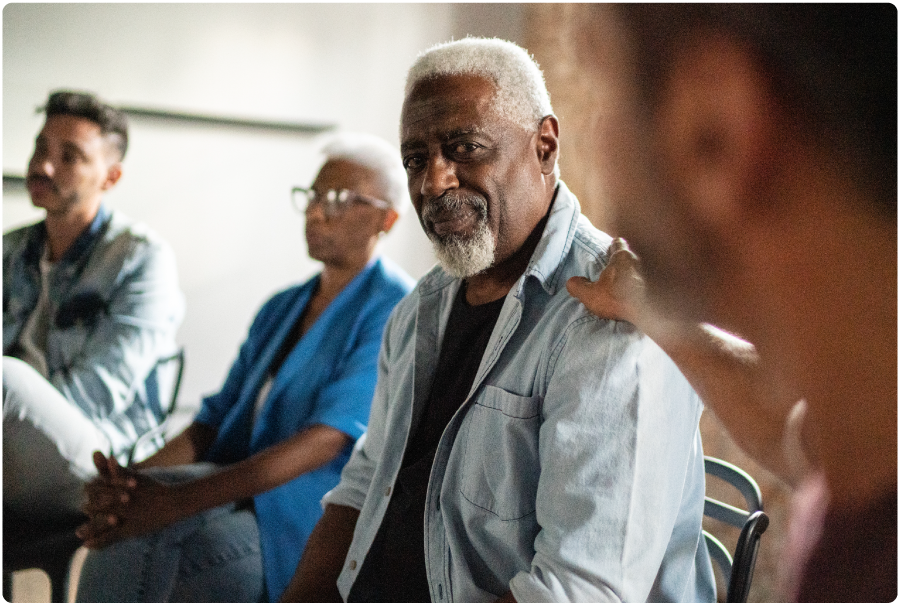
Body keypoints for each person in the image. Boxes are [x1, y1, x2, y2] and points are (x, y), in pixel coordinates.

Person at [283, 38, 714, 603]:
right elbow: (365, 487)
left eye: (465, 147)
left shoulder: (613, 317)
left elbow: (576, 590)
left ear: (544, 148)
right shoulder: (421, 309)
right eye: (416, 159)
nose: (434, 181)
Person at [567, 3, 897, 601]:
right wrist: (651, 311)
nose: (600, 143)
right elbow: (791, 436)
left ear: (714, 128)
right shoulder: (865, 425)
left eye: (606, 82)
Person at [73, 133, 416, 602]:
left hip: (310, 514)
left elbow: (326, 440)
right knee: (126, 521)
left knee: (140, 542)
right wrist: (131, 481)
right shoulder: (282, 306)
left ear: (387, 218)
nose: (317, 211)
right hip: (233, 491)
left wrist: (174, 501)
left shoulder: (397, 307)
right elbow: (211, 424)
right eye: (313, 196)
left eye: (338, 200)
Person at [2, 90, 184, 526]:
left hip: (98, 457)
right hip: (10, 438)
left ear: (110, 177)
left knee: (6, 377)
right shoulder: (10, 250)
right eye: (41, 148)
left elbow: (98, 395)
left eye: (70, 157)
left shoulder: (141, 259)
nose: (43, 166)